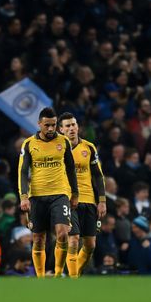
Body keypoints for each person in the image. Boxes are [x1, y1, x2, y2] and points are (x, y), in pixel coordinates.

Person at [18, 107, 79, 278]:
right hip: (37, 196)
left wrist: (75, 193)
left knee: (62, 233)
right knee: (38, 238)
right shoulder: (29, 144)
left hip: (60, 194)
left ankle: (59, 272)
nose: (51, 129)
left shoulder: (64, 142)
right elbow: (22, 172)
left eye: (53, 125)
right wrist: (23, 196)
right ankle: (40, 276)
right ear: (39, 124)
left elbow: (71, 169)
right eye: (47, 125)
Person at [58, 112, 106, 277]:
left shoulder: (89, 147)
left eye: (73, 125)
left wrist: (102, 201)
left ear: (78, 126)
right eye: (67, 126)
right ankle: (73, 279)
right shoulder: (58, 150)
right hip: (69, 201)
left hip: (89, 200)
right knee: (73, 239)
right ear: (61, 130)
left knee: (90, 245)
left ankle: (74, 273)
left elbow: (98, 175)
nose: (71, 128)